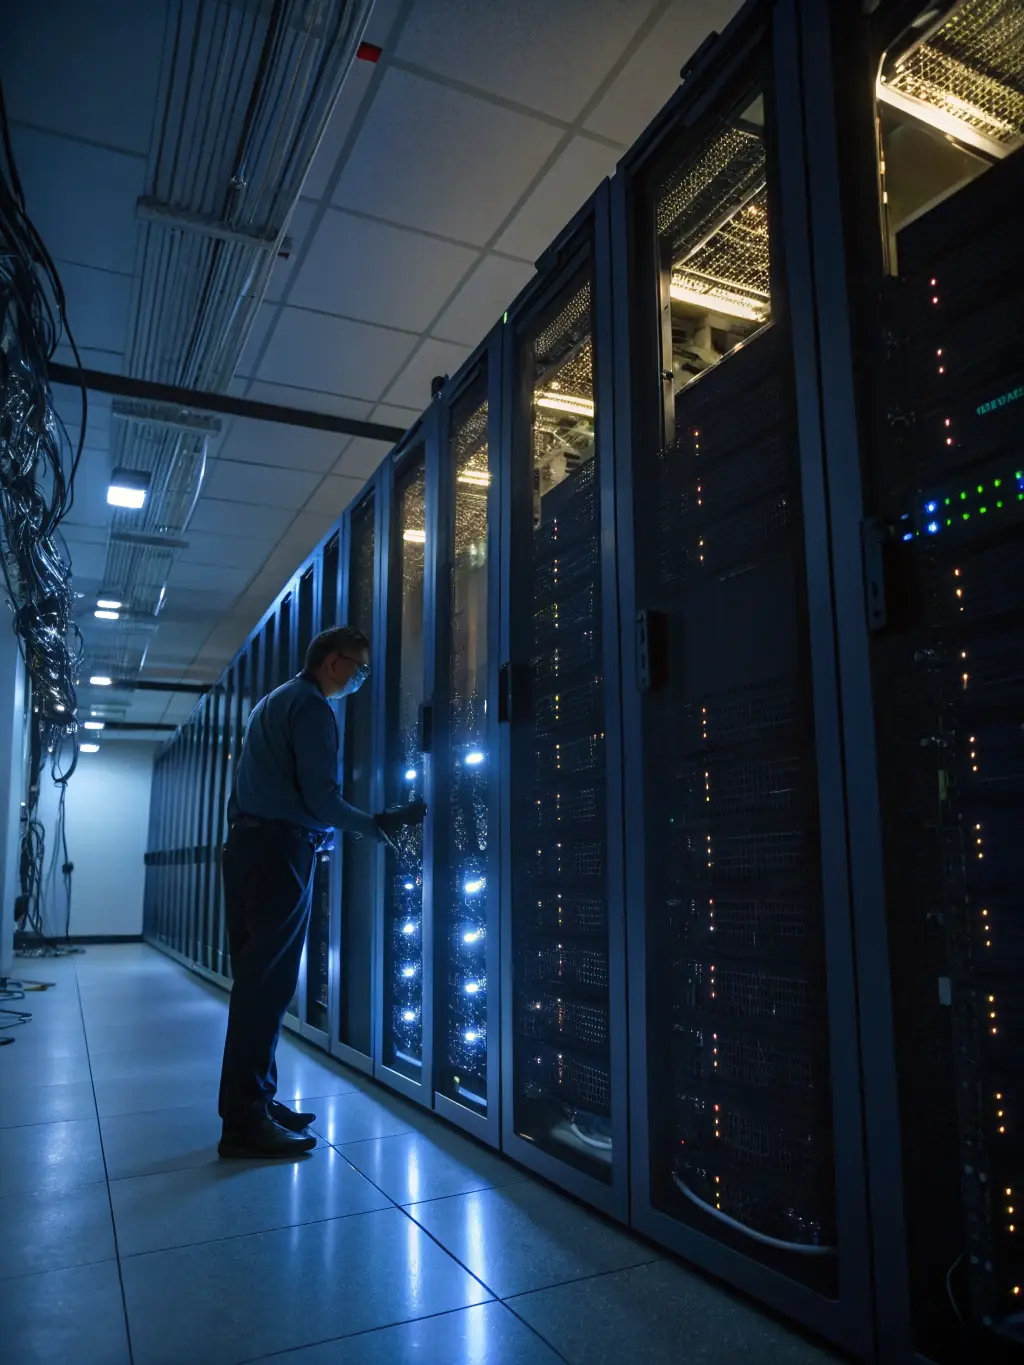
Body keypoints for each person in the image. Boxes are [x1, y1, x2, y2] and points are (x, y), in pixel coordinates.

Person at [217, 625, 424, 1158]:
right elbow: (321, 798)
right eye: (360, 667)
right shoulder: (312, 707)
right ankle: (243, 1121)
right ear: (334, 662)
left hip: (248, 848)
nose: (361, 678)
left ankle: (256, 1101)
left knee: (256, 982)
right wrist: (375, 823)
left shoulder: (274, 700)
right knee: (268, 986)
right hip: (278, 852)